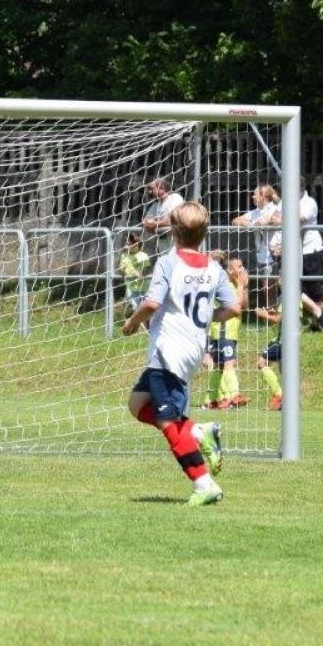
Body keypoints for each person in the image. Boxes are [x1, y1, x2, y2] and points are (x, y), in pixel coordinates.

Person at [122, 201, 237, 507]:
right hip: (191, 349)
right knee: (137, 405)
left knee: (168, 422)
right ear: (204, 232)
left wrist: (132, 322)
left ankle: (203, 483)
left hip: (168, 351)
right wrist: (207, 319)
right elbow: (236, 307)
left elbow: (151, 303)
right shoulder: (213, 267)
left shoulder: (168, 262)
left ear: (173, 230)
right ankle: (199, 430)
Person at [259, 179, 323, 331]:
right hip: (292, 252)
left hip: (310, 251)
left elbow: (296, 219)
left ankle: (317, 323)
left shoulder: (309, 203)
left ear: (301, 188)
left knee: (313, 290)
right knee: (286, 283)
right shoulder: (286, 202)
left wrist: (282, 217)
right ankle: (319, 313)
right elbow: (274, 219)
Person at [202, 252, 248, 410]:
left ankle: (211, 399)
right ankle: (234, 395)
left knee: (219, 366)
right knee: (229, 363)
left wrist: (243, 285)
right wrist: (241, 285)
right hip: (224, 329)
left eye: (243, 266)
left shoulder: (235, 284)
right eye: (239, 267)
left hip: (231, 330)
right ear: (229, 270)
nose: (243, 269)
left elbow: (245, 305)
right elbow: (236, 306)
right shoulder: (225, 285)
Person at [231, 183, 280, 305]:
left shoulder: (276, 209)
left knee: (273, 287)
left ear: (265, 196)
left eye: (256, 194)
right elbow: (235, 221)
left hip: (276, 254)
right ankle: (273, 318)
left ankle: (279, 317)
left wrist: (265, 222)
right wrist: (249, 224)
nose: (252, 197)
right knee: (267, 288)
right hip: (262, 256)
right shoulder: (255, 212)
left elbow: (275, 220)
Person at [140, 178, 186, 243]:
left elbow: (170, 221)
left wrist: (154, 224)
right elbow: (145, 222)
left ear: (162, 188)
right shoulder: (156, 205)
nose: (149, 192)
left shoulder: (175, 198)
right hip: (162, 241)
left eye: (151, 188)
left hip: (177, 243)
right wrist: (156, 226)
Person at [119, 232, 152, 312]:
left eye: (130, 243)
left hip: (144, 288)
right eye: (128, 243)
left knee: (145, 310)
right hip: (131, 287)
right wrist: (122, 269)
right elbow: (121, 269)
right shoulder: (124, 255)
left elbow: (141, 274)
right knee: (136, 309)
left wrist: (132, 271)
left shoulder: (143, 256)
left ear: (136, 245)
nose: (127, 245)